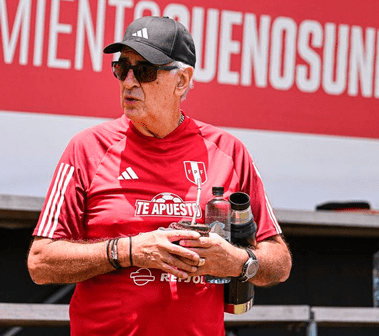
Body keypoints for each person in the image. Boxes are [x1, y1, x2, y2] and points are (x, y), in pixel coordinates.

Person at [27, 16, 291, 335]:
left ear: (182, 80)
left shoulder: (229, 151)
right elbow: (40, 263)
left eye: (144, 70)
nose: (128, 81)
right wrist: (128, 251)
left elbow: (279, 262)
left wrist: (237, 261)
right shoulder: (87, 148)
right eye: (121, 68)